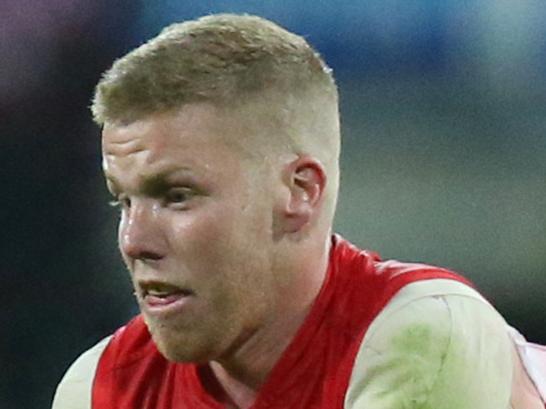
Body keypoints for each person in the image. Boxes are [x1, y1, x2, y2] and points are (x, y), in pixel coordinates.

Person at [52, 13, 545, 409]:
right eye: (124, 199)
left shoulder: (424, 339)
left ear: (299, 192)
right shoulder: (102, 386)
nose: (135, 240)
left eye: (176, 196)